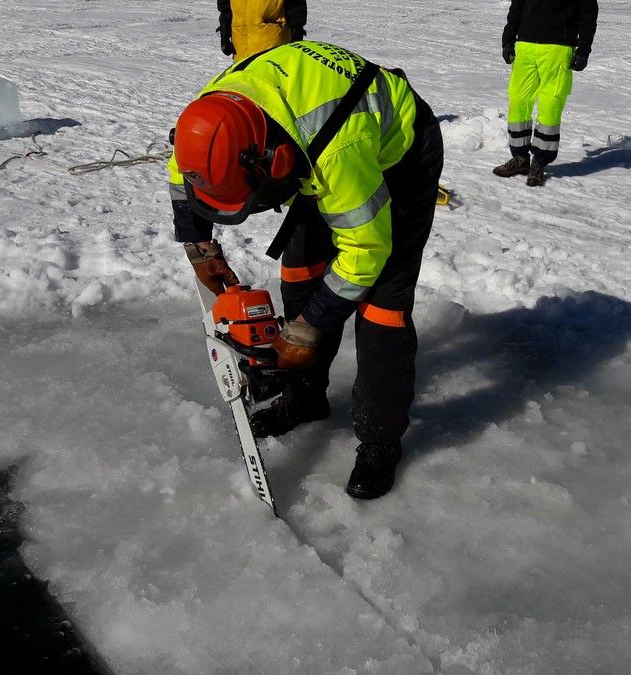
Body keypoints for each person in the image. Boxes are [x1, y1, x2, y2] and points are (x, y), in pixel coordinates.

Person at [167, 41, 443, 500]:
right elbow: (183, 166)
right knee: (301, 271)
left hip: (398, 158)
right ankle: (306, 396)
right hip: (311, 140)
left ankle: (380, 442)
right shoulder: (212, 115)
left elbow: (365, 252)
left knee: (381, 309)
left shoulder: (338, 154)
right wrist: (198, 242)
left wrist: (308, 328)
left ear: (273, 163)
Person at [494, 0, 598, 186]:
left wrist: (584, 50)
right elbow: (516, 8)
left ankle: (539, 162)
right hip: (525, 46)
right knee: (518, 100)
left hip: (558, 48)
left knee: (551, 105)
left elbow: (588, 14)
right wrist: (508, 40)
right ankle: (520, 158)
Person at [217, 0, 307, 62]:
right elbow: (225, 9)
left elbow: (295, 6)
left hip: (272, 50)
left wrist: (296, 35)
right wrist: (224, 35)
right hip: (241, 51)